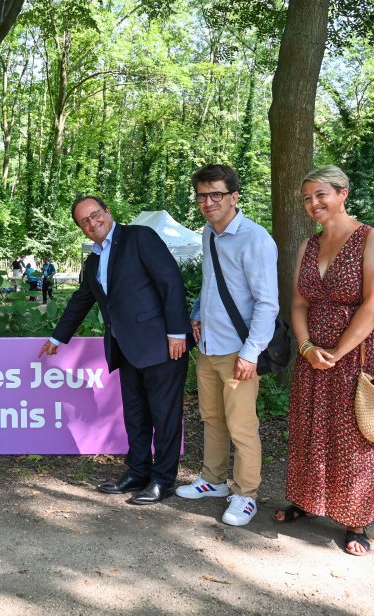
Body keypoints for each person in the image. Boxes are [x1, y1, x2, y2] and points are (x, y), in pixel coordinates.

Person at [39, 196, 192, 505]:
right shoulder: (93, 260)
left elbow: (170, 281)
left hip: (162, 346)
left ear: (108, 212)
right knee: (136, 416)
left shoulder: (139, 237)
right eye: (85, 221)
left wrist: (177, 332)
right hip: (125, 348)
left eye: (95, 215)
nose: (93, 223)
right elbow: (83, 299)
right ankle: (137, 472)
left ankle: (163, 480)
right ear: (81, 229)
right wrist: (57, 338)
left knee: (164, 417)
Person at [273, 166, 374, 556]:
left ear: (343, 193)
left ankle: (355, 520)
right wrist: (306, 347)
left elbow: (370, 306)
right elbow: (299, 304)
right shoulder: (308, 247)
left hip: (353, 357)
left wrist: (336, 353)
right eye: (306, 198)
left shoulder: (368, 239)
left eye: (321, 195)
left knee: (352, 437)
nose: (313, 204)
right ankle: (306, 501)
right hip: (312, 354)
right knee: (308, 430)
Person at [176, 164, 279, 527]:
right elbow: (210, 284)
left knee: (242, 426)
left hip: (239, 350)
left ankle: (245, 494)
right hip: (209, 346)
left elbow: (267, 303)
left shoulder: (255, 238)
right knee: (212, 418)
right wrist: (196, 311)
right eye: (203, 195)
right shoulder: (208, 232)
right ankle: (213, 480)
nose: (209, 201)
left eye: (216, 194)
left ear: (234, 196)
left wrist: (251, 354)